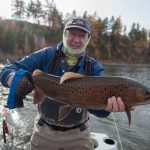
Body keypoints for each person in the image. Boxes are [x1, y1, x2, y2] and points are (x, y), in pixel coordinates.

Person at [0, 17, 129, 150]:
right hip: (44, 131)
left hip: (79, 134)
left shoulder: (94, 67)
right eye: (72, 33)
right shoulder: (46, 55)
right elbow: (6, 69)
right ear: (65, 34)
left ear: (88, 39)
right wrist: (13, 78)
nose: (76, 40)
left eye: (82, 35)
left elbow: (102, 114)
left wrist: (108, 107)